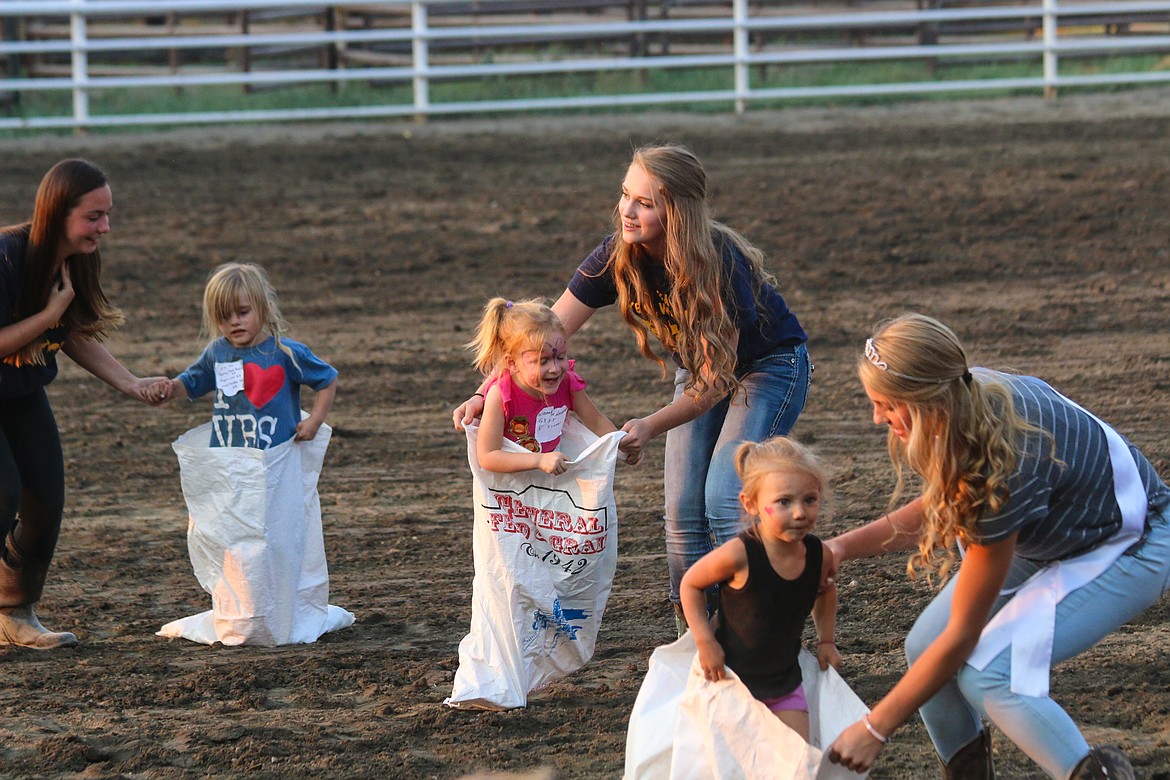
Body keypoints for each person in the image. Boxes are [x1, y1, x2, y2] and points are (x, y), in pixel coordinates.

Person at [454, 144, 811, 634]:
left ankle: (761, 633)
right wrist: (483, 392)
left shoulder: (719, 265)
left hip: (768, 369)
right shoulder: (616, 256)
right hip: (702, 371)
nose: (627, 209)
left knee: (725, 498)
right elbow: (538, 335)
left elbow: (716, 382)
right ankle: (697, 642)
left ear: (678, 211)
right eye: (625, 195)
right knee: (683, 513)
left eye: (644, 201)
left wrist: (650, 424)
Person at [824, 313, 1170, 779]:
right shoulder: (967, 393)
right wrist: (841, 548)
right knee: (925, 647)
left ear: (928, 399)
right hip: (1062, 532)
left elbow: (963, 634)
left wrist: (876, 727)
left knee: (993, 676)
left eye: (886, 404)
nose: (877, 417)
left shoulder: (999, 465)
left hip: (1132, 541)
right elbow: (944, 502)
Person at [0, 158, 173, 649]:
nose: (105, 226)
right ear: (58, 213)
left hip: (17, 388)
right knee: (1, 491)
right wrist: (49, 311)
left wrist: (131, 383)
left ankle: (13, 614)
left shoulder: (75, 257)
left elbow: (70, 330)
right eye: (94, 216)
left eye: (108, 214)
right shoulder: (6, 257)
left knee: (46, 499)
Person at [679, 436, 840, 741]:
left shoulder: (819, 556)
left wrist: (826, 641)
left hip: (785, 684)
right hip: (729, 682)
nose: (799, 513)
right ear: (751, 504)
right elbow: (691, 584)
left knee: (796, 763)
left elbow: (825, 591)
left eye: (809, 499)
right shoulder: (739, 554)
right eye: (784, 502)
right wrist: (704, 641)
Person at [160, 262, 336, 450]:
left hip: (277, 457)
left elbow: (327, 379)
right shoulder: (217, 352)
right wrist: (167, 389)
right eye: (224, 316)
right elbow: (191, 383)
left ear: (265, 308)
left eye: (243, 312)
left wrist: (315, 421)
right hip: (230, 458)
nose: (235, 321)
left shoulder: (285, 352)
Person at [466, 296, 620, 474]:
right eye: (542, 361)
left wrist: (620, 443)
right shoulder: (500, 396)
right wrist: (539, 460)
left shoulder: (568, 382)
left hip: (549, 481)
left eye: (561, 357)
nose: (554, 369)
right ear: (512, 363)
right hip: (511, 488)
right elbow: (488, 456)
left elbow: (597, 421)